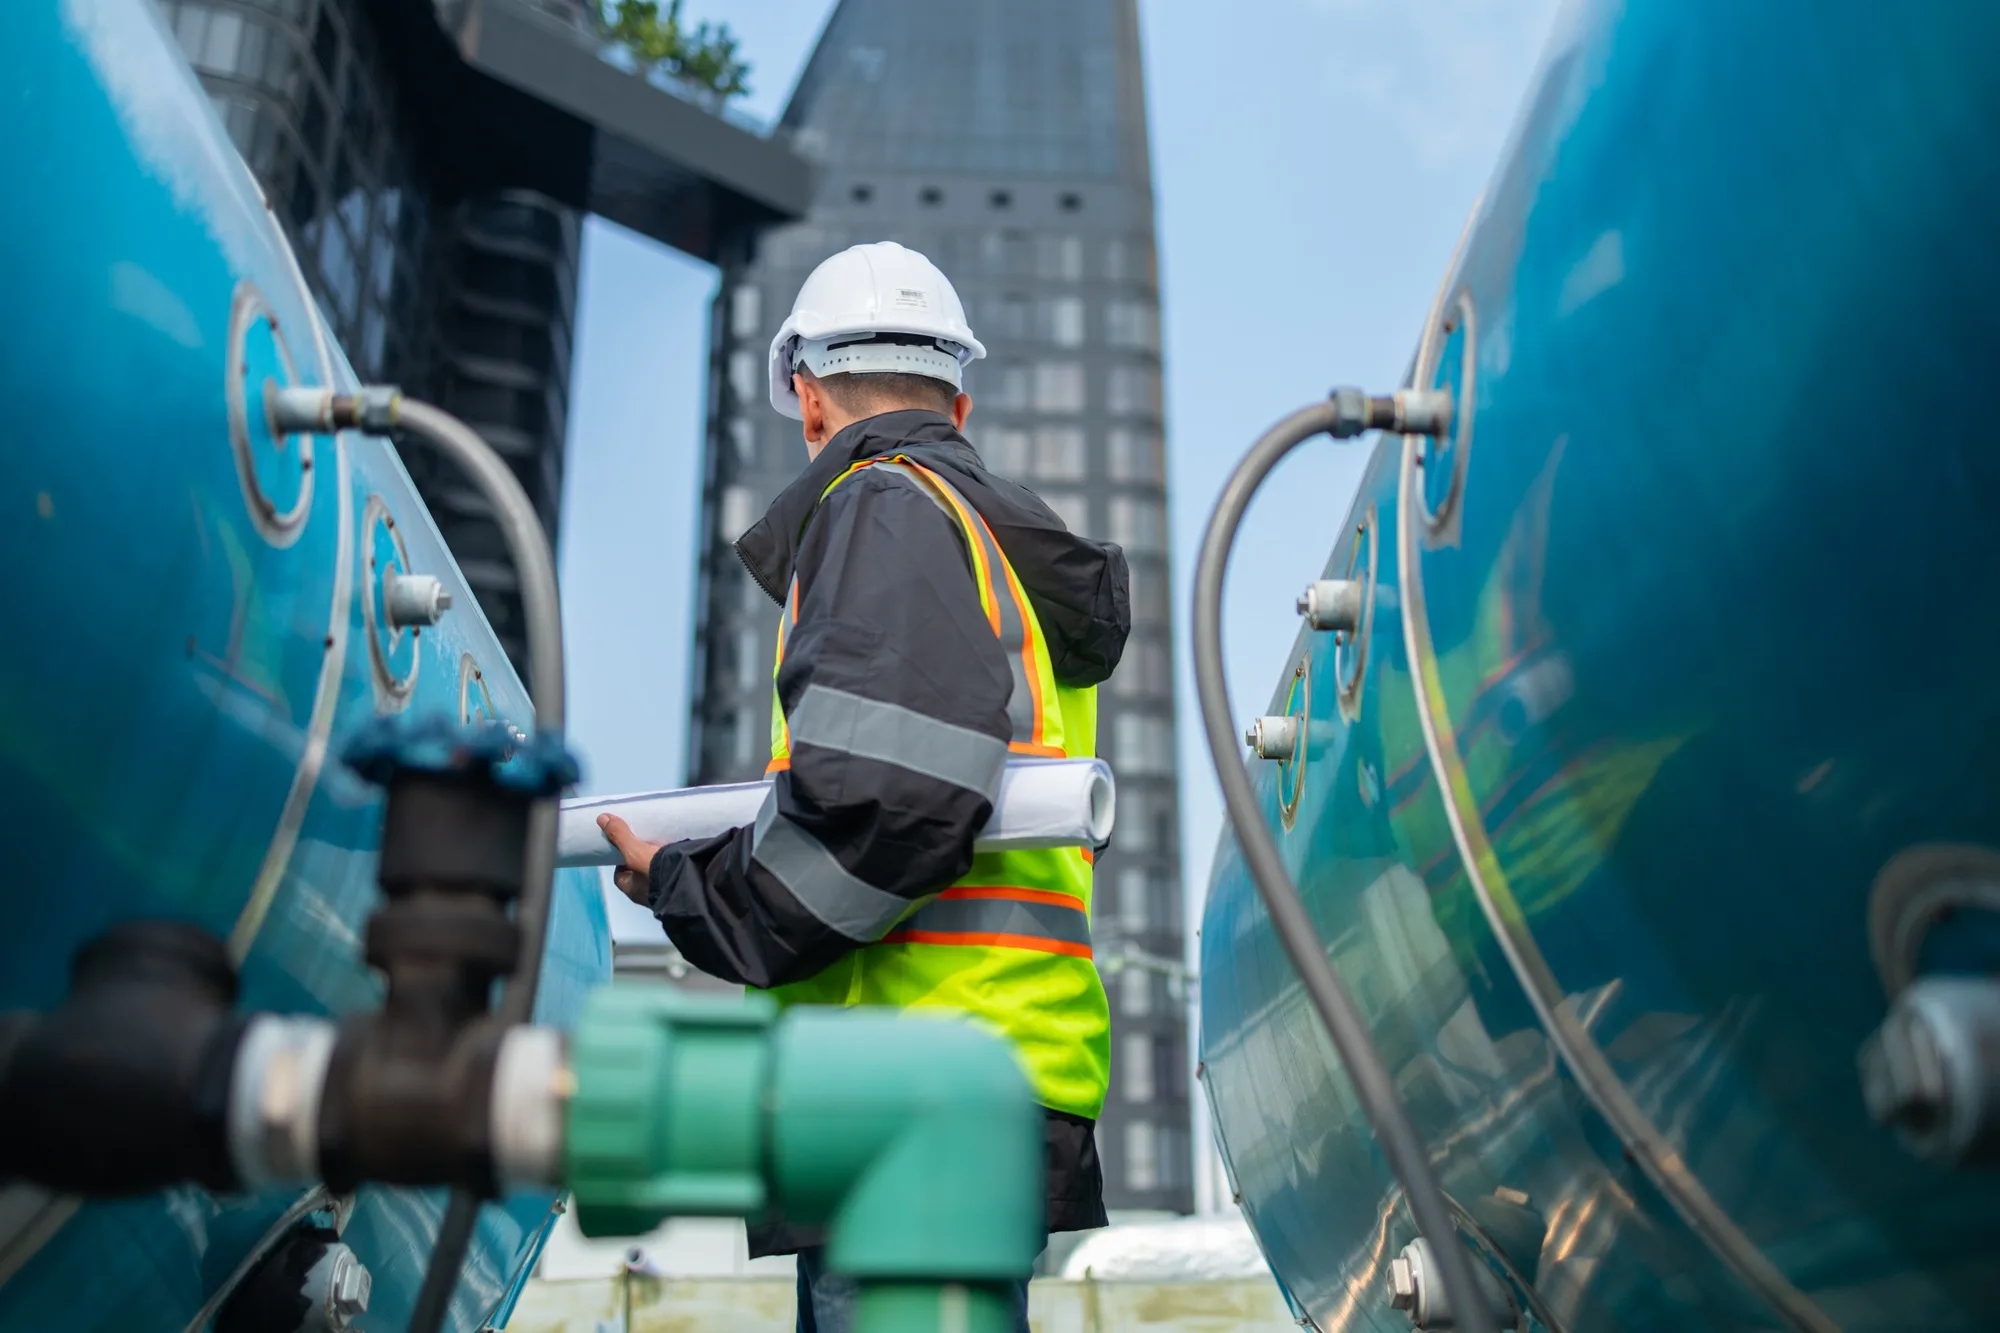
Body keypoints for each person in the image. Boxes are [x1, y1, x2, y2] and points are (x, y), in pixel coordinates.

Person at [596, 240, 1129, 1333]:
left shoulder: (882, 508)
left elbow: (883, 803)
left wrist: (687, 890)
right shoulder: (983, 548)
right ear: (958, 403)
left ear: (806, 397)